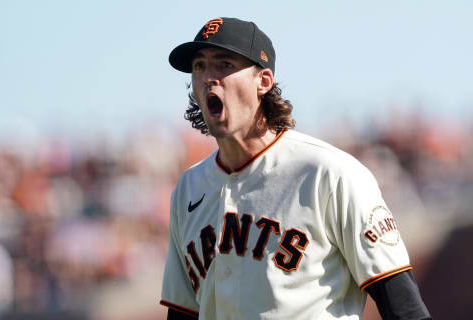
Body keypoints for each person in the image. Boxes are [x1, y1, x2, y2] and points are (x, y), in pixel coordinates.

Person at [160, 17, 431, 320]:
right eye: (199, 66)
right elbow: (182, 311)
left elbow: (403, 306)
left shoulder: (329, 173)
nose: (209, 77)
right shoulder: (188, 188)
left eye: (223, 64)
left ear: (263, 81)